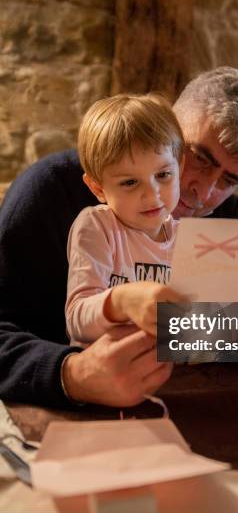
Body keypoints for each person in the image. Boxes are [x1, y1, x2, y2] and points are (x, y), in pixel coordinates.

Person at [0, 67, 238, 408]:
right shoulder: (48, 192)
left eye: (229, 180)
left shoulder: (221, 221)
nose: (203, 192)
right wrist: (72, 374)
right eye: (199, 159)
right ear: (168, 125)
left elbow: (217, 339)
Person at [66, 93, 188, 346]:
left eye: (163, 174)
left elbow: (204, 332)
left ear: (180, 168)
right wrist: (121, 301)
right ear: (98, 188)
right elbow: (77, 323)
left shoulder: (191, 238)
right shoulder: (97, 226)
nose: (152, 193)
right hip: (108, 375)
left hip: (175, 375)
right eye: (130, 182)